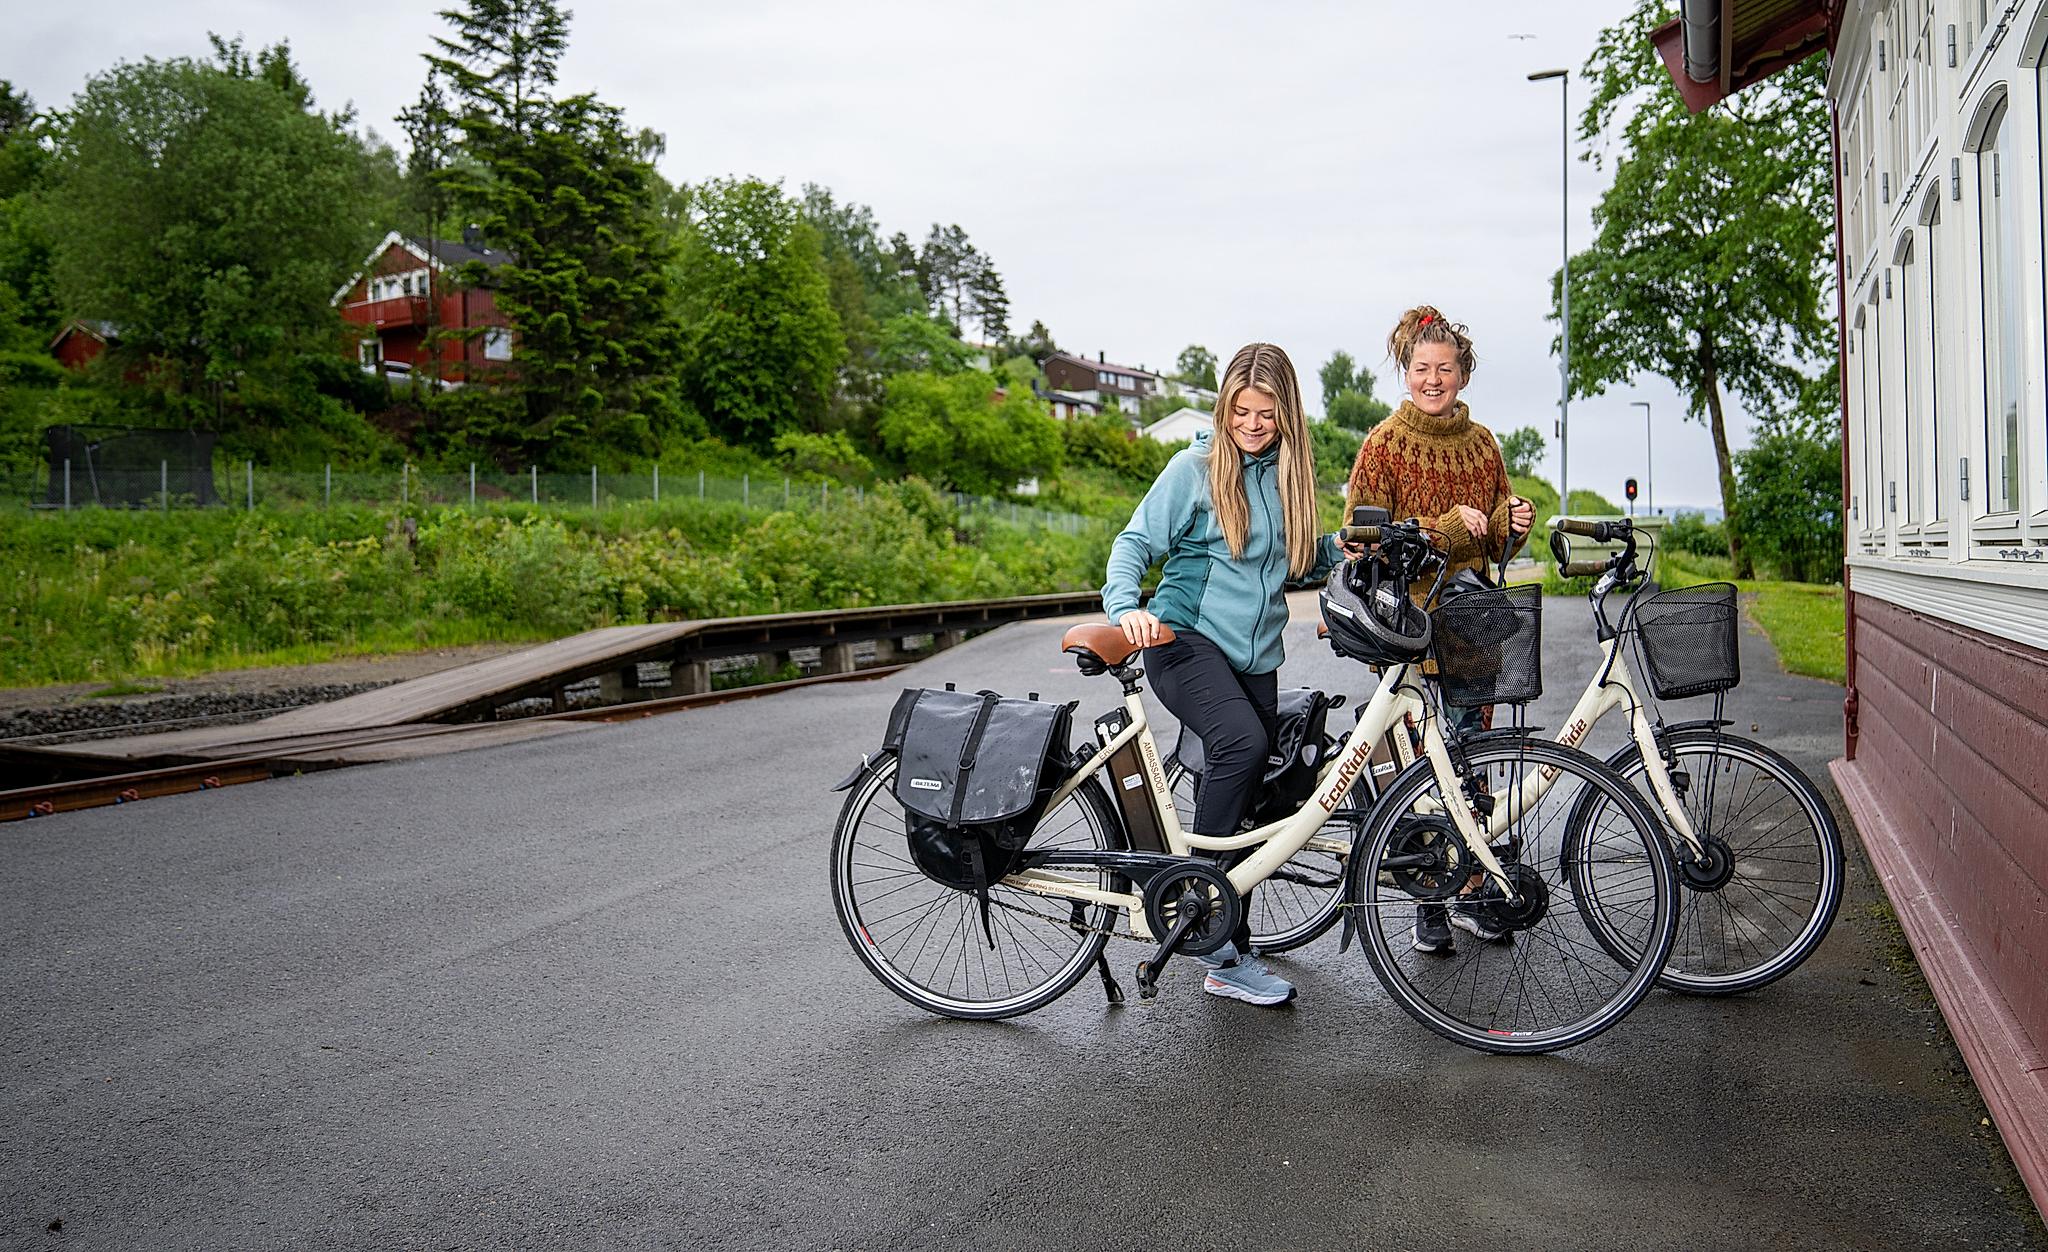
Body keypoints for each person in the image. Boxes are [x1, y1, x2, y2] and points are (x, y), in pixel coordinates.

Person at [1103, 342, 1344, 1007]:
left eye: (1266, 413)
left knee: (1256, 795)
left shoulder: (1287, 475)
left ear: (1286, 413)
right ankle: (1207, 928)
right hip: (1184, 641)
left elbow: (1287, 566)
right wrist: (1127, 609)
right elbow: (1134, 543)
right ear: (1224, 407)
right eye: (1241, 410)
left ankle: (1221, 936)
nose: (1252, 424)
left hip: (1254, 658)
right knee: (1242, 743)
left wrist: (1335, 549)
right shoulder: (1195, 468)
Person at [1344, 306, 1534, 954]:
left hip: (1473, 628)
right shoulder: (1383, 445)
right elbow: (1360, 541)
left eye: (1444, 368)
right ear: (1406, 369)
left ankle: (1474, 890)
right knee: (1424, 768)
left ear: (1463, 373)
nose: (1433, 379)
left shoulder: (1483, 444)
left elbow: (1496, 526)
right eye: (1422, 368)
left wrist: (1512, 520)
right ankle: (1430, 898)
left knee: (1471, 764)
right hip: (1408, 631)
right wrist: (1446, 529)